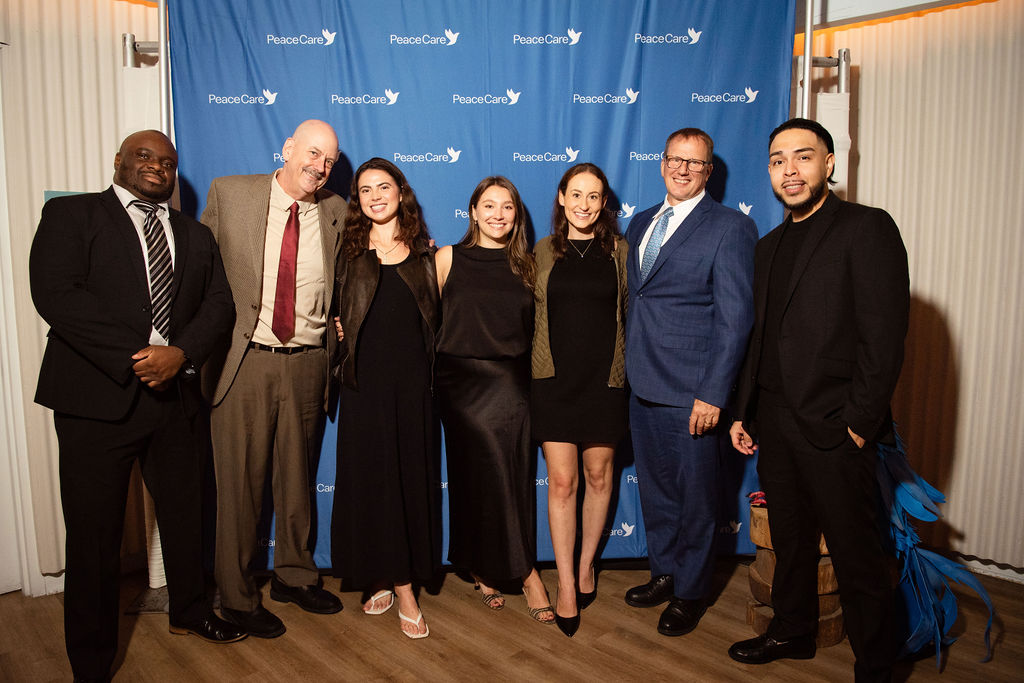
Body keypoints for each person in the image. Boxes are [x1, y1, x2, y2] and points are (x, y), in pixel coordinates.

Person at [29, 130, 245, 680]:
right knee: (94, 535)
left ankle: (189, 611)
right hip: (95, 399)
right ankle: (91, 659)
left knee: (186, 516)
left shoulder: (195, 234)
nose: (157, 166)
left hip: (175, 398)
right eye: (144, 156)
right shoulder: (73, 215)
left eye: (167, 161)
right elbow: (56, 294)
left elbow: (219, 304)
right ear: (119, 161)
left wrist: (180, 355)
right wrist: (140, 357)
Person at [727, 118, 908, 682]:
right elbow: (760, 337)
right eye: (778, 160)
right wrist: (745, 411)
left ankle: (877, 665)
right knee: (790, 538)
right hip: (775, 421)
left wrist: (859, 422)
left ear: (829, 164)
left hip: (835, 425)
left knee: (857, 553)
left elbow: (884, 335)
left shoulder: (866, 227)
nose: (790, 170)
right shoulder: (768, 246)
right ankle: (792, 629)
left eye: (803, 157)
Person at [201, 120, 346, 638]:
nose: (320, 167)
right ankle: (237, 596)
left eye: (329, 160)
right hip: (246, 359)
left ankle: (294, 575)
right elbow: (198, 273)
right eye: (312, 153)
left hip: (308, 362)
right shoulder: (230, 193)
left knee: (297, 479)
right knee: (240, 484)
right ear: (287, 148)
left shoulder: (337, 210)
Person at [624, 128, 757, 636]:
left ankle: (691, 592)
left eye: (694, 163)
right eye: (674, 159)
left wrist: (714, 393)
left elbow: (735, 319)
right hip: (642, 383)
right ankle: (665, 572)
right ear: (662, 163)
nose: (682, 169)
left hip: (693, 392)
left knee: (698, 500)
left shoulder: (730, 227)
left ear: (708, 171)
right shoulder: (641, 222)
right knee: (657, 492)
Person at [434, 176, 554, 626]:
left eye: (507, 206)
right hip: (459, 384)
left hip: (512, 382)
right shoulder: (447, 258)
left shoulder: (527, 265)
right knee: (471, 478)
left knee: (512, 476)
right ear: (473, 211)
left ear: (516, 214)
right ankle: (499, 570)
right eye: (488, 205)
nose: (498, 214)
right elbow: (420, 317)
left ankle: (520, 570)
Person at [332, 158, 440, 639]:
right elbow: (330, 311)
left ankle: (404, 584)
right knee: (371, 481)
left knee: (406, 482)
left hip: (413, 387)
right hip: (364, 386)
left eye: (384, 186)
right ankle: (380, 575)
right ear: (358, 199)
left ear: (401, 192)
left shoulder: (426, 254)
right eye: (365, 189)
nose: (376, 196)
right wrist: (337, 330)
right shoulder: (347, 250)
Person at [532, 163, 629, 637]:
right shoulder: (541, 251)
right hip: (553, 382)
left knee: (598, 476)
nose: (584, 205)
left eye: (593, 196)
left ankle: (587, 563)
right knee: (563, 483)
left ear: (604, 202)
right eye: (576, 195)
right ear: (561, 197)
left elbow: (636, 312)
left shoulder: (621, 252)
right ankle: (566, 583)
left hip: (605, 382)